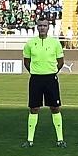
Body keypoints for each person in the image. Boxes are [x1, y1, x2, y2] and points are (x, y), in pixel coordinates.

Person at [21, 17, 66, 148]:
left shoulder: (55, 43)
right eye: (40, 25)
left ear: (48, 27)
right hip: (36, 79)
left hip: (51, 78)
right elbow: (26, 61)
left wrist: (52, 71)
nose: (42, 28)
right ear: (37, 27)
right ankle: (30, 140)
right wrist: (35, 71)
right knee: (34, 108)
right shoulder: (30, 43)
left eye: (44, 26)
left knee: (55, 108)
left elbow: (61, 61)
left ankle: (60, 139)